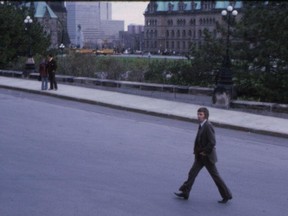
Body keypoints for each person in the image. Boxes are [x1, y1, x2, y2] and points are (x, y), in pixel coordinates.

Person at [174, 107, 232, 204]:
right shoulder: (201, 125)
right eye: (198, 114)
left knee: (215, 177)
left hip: (207, 157)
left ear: (205, 116)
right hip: (200, 157)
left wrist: (205, 152)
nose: (198, 116)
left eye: (201, 114)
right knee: (192, 173)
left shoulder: (208, 126)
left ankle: (226, 195)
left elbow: (212, 142)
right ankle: (185, 192)